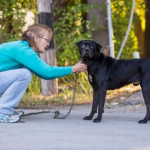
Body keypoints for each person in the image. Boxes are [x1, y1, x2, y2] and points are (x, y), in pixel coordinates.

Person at [0, 24, 87, 123]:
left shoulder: (22, 48)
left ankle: (6, 110)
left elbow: (43, 74)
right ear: (36, 38)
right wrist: (72, 69)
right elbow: (47, 72)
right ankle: (3, 112)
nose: (48, 44)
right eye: (47, 40)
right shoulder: (24, 50)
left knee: (25, 71)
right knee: (23, 74)